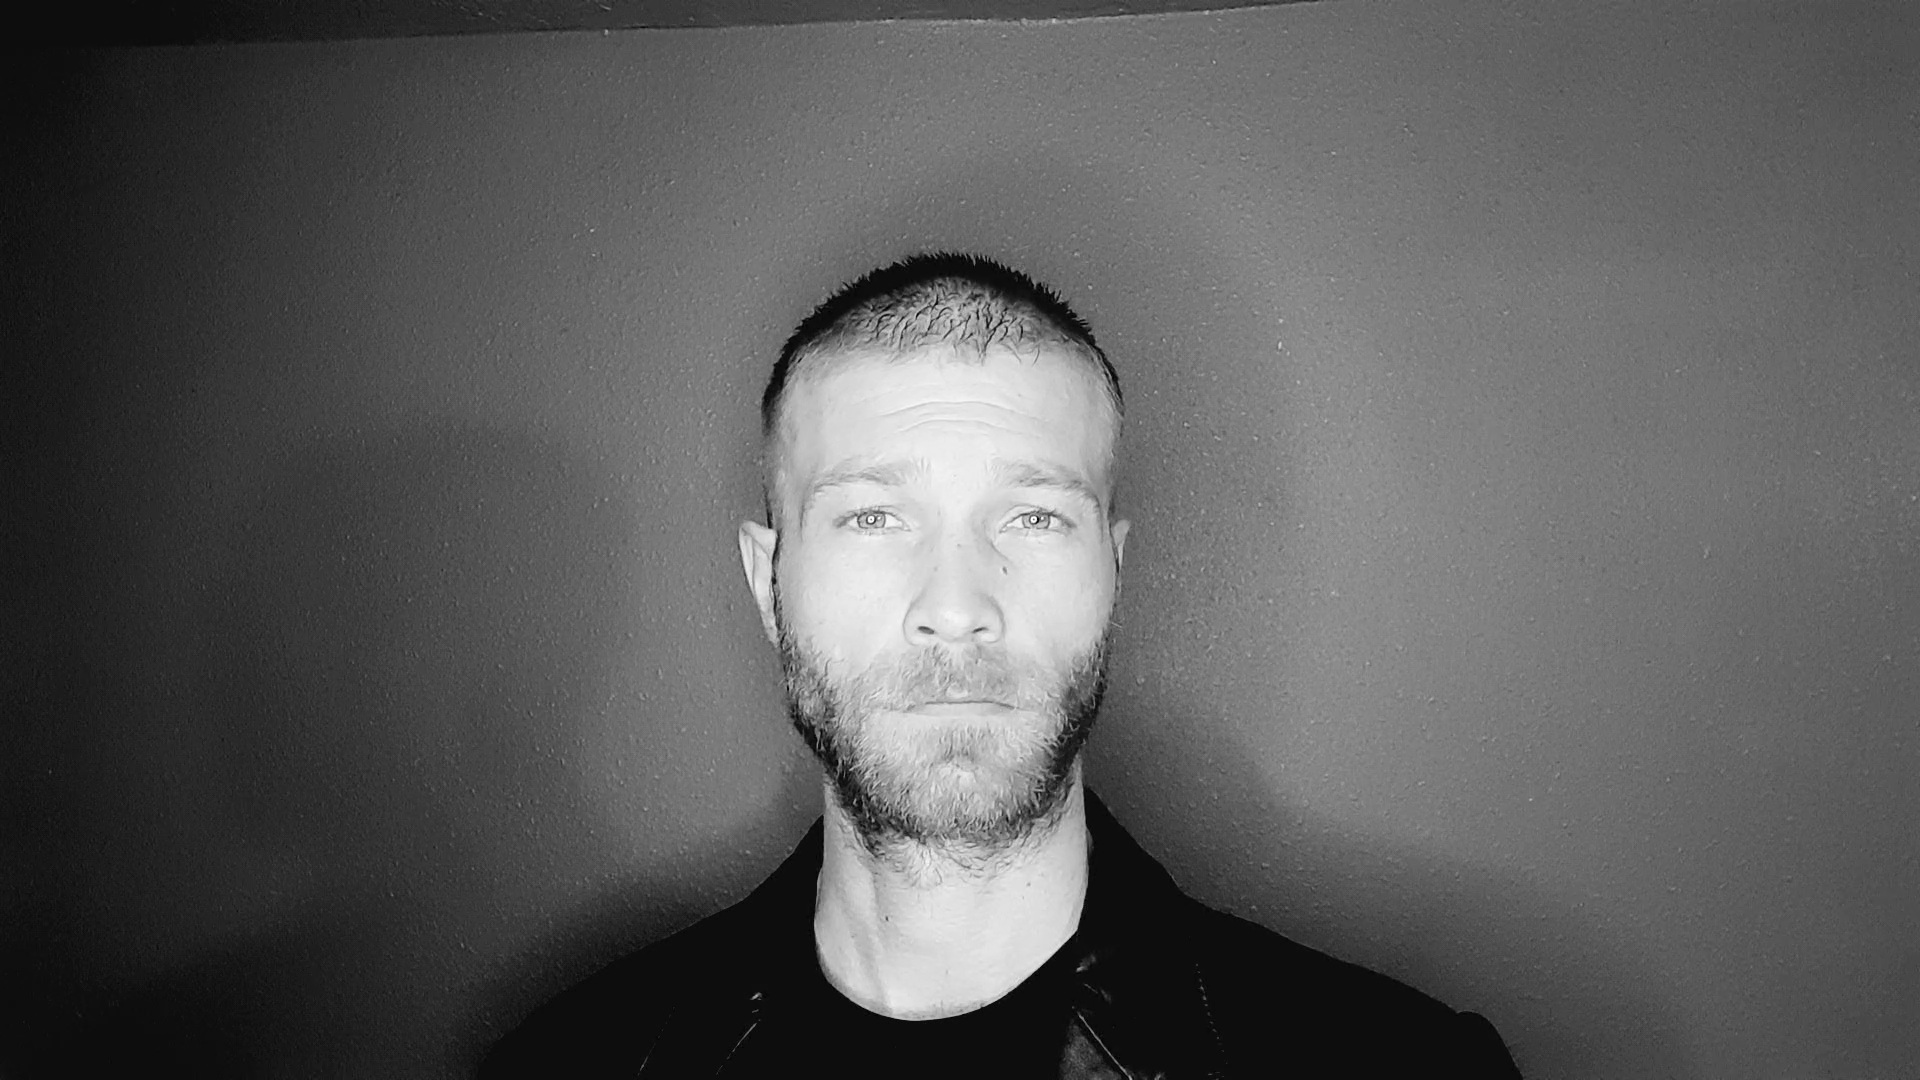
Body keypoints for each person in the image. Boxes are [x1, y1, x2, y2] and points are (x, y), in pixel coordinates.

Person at [483, 254, 1521, 1077]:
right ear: (769, 582)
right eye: (873, 517)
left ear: (1112, 573)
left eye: (1032, 516)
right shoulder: (570, 1063)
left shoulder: (1405, 1065)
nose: (956, 608)